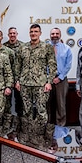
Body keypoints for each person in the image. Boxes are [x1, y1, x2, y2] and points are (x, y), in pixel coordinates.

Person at [14, 24, 57, 153]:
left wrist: (49, 82)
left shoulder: (47, 47)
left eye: (36, 31)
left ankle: (39, 139)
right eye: (31, 31)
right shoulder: (23, 47)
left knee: (41, 111)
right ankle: (27, 138)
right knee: (26, 110)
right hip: (25, 84)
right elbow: (17, 65)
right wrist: (17, 80)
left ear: (40, 33)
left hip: (40, 84)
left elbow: (52, 65)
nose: (33, 33)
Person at [0, 29, 16, 136]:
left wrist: (10, 85)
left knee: (6, 108)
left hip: (5, 85)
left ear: (2, 37)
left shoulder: (9, 52)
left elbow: (12, 69)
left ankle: (5, 131)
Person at [48, 27, 72, 126]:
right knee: (47, 104)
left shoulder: (66, 48)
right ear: (50, 35)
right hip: (47, 81)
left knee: (61, 105)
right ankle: (48, 125)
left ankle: (61, 126)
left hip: (61, 80)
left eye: (57, 33)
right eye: (53, 34)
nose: (55, 35)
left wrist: (60, 77)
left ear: (60, 35)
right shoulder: (45, 48)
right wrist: (48, 78)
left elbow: (68, 65)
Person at [4, 27, 25, 121]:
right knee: (6, 103)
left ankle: (20, 124)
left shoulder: (23, 46)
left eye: (14, 33)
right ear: (8, 35)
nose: (12, 35)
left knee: (20, 102)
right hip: (6, 79)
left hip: (19, 79)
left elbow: (24, 64)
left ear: (17, 34)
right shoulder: (4, 47)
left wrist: (18, 80)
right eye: (10, 33)